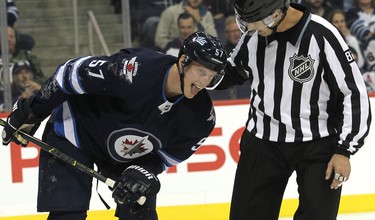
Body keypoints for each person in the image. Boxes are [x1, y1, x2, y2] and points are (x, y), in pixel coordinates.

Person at [1, 31, 227, 220]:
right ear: (183, 60)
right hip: (77, 132)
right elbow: (70, 73)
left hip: (127, 154)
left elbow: (169, 154)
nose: (205, 82)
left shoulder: (201, 117)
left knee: (141, 210)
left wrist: (145, 171)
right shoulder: (133, 71)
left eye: (212, 77)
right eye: (201, 72)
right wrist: (34, 111)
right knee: (68, 214)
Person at [216, 0, 372, 219]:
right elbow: (230, 73)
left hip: (318, 145)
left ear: (277, 14)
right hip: (263, 142)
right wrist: (198, 69)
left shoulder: (321, 34)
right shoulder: (254, 34)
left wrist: (344, 150)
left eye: (255, 23)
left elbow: (353, 92)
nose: (250, 30)